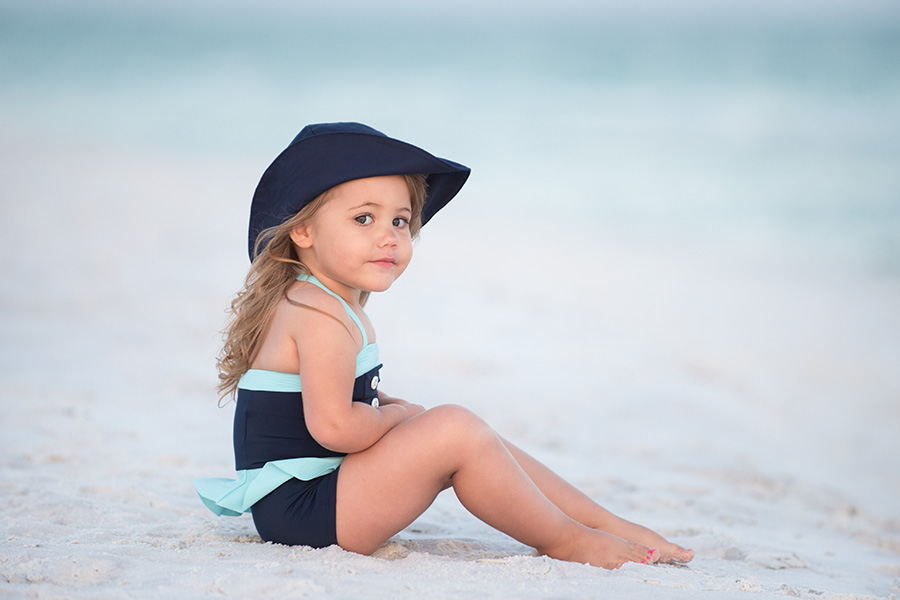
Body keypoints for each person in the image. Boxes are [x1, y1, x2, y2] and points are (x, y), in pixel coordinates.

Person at [194, 122, 694, 570]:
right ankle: (568, 540)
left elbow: (331, 400)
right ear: (302, 230)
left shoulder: (322, 300)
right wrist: (394, 417)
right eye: (363, 219)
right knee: (454, 429)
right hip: (305, 512)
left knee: (473, 434)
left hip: (316, 496)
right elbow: (335, 426)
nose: (389, 237)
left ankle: (604, 523)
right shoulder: (317, 312)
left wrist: (392, 408)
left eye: (399, 221)